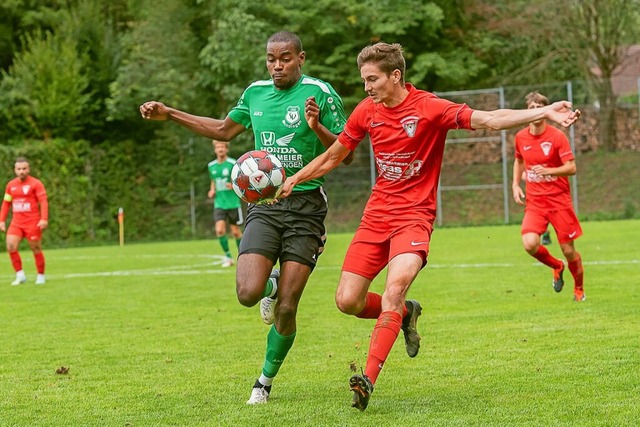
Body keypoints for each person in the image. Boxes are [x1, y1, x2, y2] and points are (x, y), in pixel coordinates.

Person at [280, 42, 581, 411]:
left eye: (372, 79)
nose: (366, 87)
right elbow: (334, 156)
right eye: (363, 80)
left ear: (395, 75)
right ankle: (407, 313)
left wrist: (546, 111)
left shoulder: (428, 107)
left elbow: (490, 119)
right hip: (376, 217)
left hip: (414, 217)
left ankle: (368, 379)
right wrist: (297, 177)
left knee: (393, 289)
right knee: (347, 301)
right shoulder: (366, 111)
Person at [140, 31, 354, 405]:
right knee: (247, 293)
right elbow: (223, 130)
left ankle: (264, 381)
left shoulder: (320, 92)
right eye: (271, 58)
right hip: (265, 208)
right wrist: (170, 114)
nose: (276, 65)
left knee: (287, 308)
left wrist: (317, 126)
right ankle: (270, 284)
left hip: (306, 209)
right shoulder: (255, 92)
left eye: (285, 58)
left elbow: (346, 153)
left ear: (301, 58)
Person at [512, 91, 585, 302]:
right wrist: (515, 184)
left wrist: (549, 171)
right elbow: (518, 160)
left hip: (559, 201)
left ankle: (579, 290)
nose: (534, 112)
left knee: (568, 250)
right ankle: (556, 265)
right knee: (529, 243)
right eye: (531, 108)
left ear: (546, 111)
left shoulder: (557, 137)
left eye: (538, 108)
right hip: (535, 203)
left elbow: (571, 168)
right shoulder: (521, 137)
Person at [0, 157, 49, 285]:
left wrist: (43, 219)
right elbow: (6, 203)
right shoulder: (11, 185)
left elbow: (43, 202)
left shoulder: (36, 184)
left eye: (24, 168)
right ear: (15, 170)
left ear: (29, 169)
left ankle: (41, 276)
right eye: (19, 169)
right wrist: (2, 220)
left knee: (36, 248)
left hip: (32, 222)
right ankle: (20, 275)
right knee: (11, 246)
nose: (21, 171)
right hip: (16, 223)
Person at [207, 139, 243, 267]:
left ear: (227, 149)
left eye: (222, 147)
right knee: (220, 230)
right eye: (218, 147)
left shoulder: (233, 164)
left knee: (235, 232)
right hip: (219, 204)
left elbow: (241, 181)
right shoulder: (211, 166)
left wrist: (234, 186)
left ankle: (242, 256)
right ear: (215, 149)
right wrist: (212, 190)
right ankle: (228, 257)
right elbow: (213, 181)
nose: (220, 149)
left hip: (233, 203)